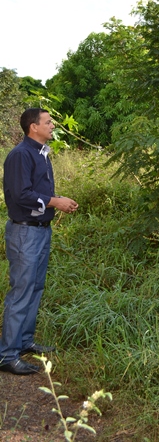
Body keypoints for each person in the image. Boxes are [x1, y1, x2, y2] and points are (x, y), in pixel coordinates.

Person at [0, 108, 79, 375]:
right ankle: (7, 355)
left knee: (35, 287)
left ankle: (24, 342)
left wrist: (57, 202)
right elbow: (21, 195)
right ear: (33, 127)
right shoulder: (20, 155)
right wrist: (55, 201)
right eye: (48, 122)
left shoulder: (41, 154)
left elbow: (38, 193)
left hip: (40, 230)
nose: (52, 124)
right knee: (21, 291)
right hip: (24, 233)